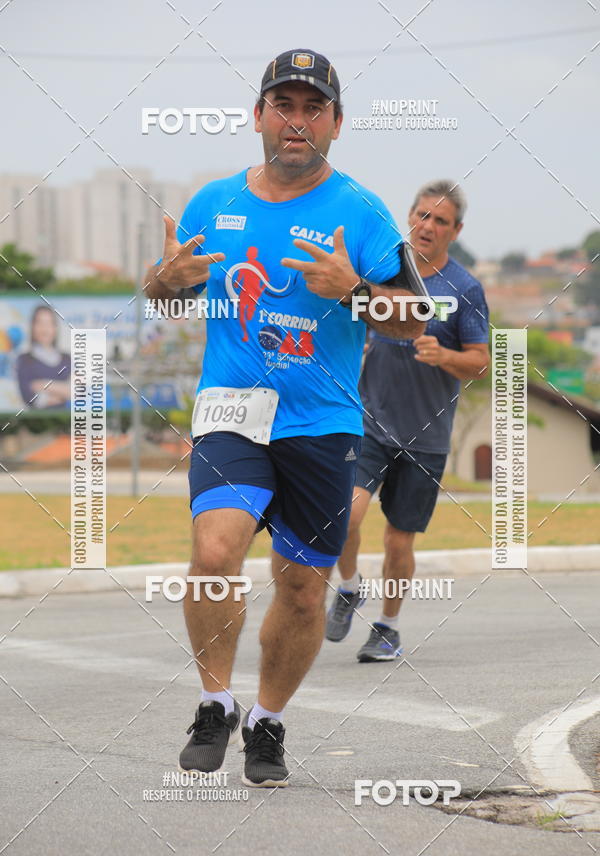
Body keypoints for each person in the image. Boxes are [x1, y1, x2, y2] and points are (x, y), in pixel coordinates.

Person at [144, 49, 427, 787]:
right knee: (213, 554)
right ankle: (215, 702)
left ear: (335, 122)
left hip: (322, 424)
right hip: (232, 413)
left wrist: (354, 290)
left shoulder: (360, 212)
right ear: (259, 115)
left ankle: (267, 721)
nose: (295, 121)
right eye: (283, 105)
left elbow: (414, 318)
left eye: (312, 108)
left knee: (302, 588)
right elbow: (165, 294)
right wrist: (163, 283)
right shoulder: (211, 203)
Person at [326, 179, 490, 661]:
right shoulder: (381, 271)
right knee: (344, 515)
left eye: (440, 220)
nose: (427, 226)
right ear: (409, 218)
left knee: (399, 539)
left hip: (427, 436)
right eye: (421, 215)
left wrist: (443, 355)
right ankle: (351, 586)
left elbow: (481, 361)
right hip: (368, 422)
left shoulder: (465, 288)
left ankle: (388, 627)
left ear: (454, 231)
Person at [16, 306, 71, 408]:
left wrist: (42, 384)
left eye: (49, 323)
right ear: (32, 326)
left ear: (55, 328)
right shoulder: (24, 360)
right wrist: (63, 391)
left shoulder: (67, 359)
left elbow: (78, 392)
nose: (44, 329)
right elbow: (30, 398)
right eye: (39, 323)